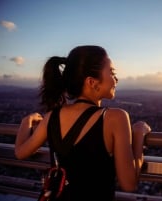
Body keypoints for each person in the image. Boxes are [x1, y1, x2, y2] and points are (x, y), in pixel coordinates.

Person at [14, 45, 151, 201]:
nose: (116, 79)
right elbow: (128, 184)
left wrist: (27, 121)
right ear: (92, 82)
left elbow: (20, 152)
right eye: (112, 73)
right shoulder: (116, 117)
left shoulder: (51, 116)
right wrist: (139, 134)